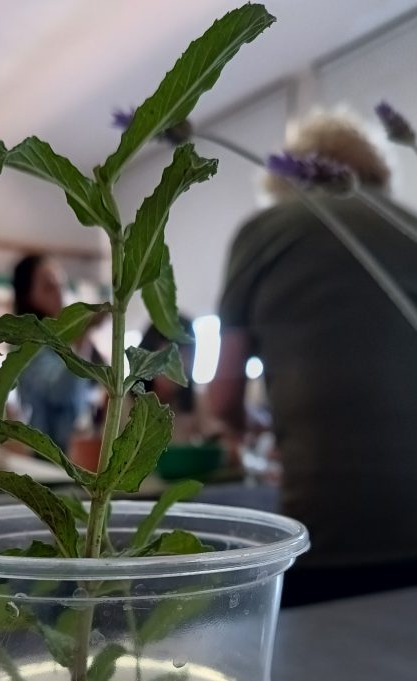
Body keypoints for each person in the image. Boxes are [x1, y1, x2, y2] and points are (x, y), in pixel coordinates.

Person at [210, 110, 417, 604]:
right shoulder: (409, 227)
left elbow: (221, 399)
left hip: (325, 537)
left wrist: (251, 427)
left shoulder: (264, 231)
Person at [12, 254, 98, 452]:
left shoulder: (61, 339)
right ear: (27, 295)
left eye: (62, 285)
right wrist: (83, 337)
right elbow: (61, 392)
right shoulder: (28, 345)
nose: (60, 293)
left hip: (70, 452)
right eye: (49, 287)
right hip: (47, 455)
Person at [137, 319, 216, 443]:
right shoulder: (122, 402)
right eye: (172, 358)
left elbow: (213, 434)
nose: (182, 367)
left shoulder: (194, 401)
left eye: (187, 357)